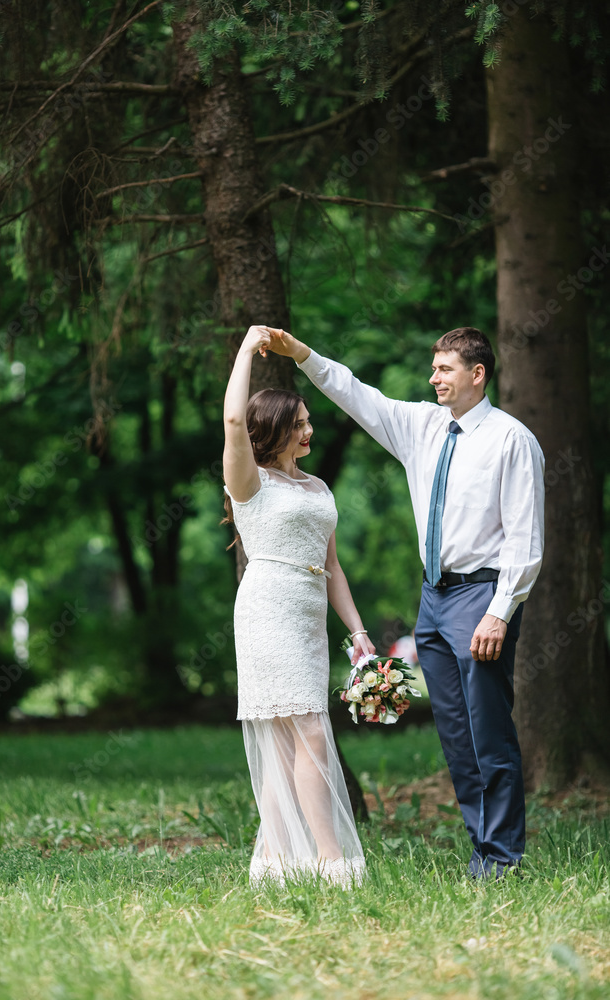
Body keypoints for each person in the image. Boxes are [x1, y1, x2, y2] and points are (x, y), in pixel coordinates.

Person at [265, 325, 545, 879]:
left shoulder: (511, 440)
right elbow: (354, 392)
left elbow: (526, 538)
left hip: (482, 594)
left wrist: (500, 610)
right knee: (456, 736)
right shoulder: (421, 426)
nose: (433, 377)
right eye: (434, 367)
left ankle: (503, 857)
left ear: (477, 374)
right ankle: (481, 850)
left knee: (489, 731)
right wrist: (301, 355)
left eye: (444, 368)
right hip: (433, 599)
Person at [223, 324, 375, 887]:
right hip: (266, 607)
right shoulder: (249, 482)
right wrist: (246, 348)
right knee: (306, 730)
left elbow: (332, 567)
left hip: (309, 615)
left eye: (309, 420)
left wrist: (356, 630)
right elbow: (233, 421)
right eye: (301, 422)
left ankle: (280, 863)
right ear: (275, 429)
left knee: (297, 734)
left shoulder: (318, 488)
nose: (310, 428)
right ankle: (331, 861)